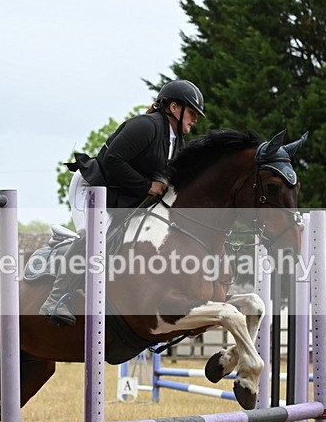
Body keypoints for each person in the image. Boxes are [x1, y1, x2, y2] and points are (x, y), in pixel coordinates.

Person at [40, 79, 205, 325]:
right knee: (96, 236)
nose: (194, 120)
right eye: (192, 113)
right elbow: (112, 161)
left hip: (120, 196)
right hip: (91, 187)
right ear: (173, 108)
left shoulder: (175, 141)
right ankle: (56, 298)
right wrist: (147, 185)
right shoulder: (145, 126)